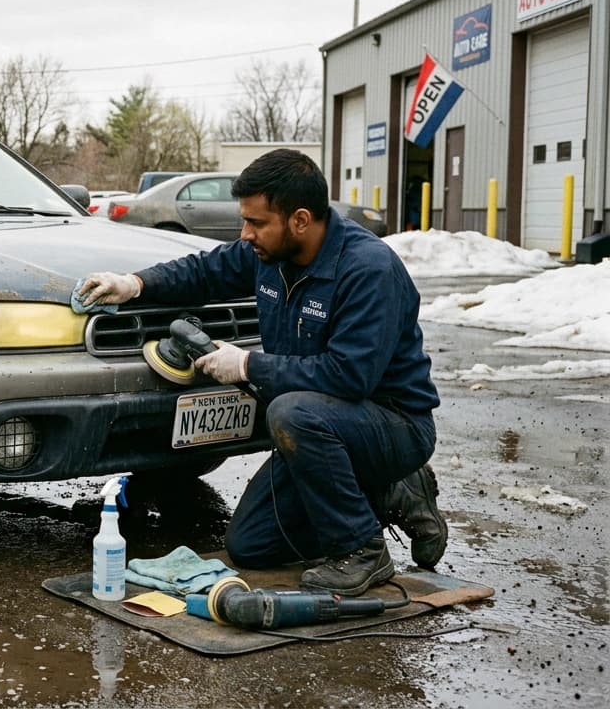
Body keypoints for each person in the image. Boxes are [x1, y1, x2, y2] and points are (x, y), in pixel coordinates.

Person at [78, 149, 447, 597]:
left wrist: (248, 364)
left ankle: (362, 550)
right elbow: (204, 271)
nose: (245, 233)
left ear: (300, 220)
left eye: (256, 223)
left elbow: (350, 377)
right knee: (249, 545)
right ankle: (385, 494)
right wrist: (134, 284)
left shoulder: (368, 270)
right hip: (326, 427)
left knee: (291, 412)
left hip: (394, 426)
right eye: (244, 220)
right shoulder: (268, 254)